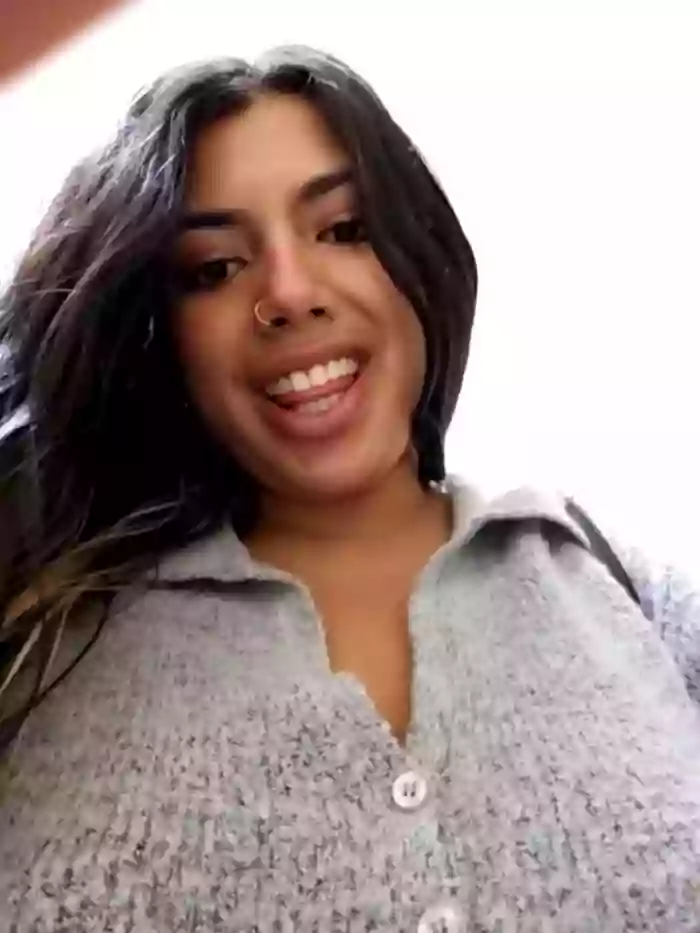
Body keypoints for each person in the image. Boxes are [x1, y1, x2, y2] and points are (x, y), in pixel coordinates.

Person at [0, 47, 699, 933]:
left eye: (342, 229)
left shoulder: (634, 600)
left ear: (418, 257)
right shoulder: (44, 654)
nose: (290, 293)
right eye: (214, 268)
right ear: (161, 335)